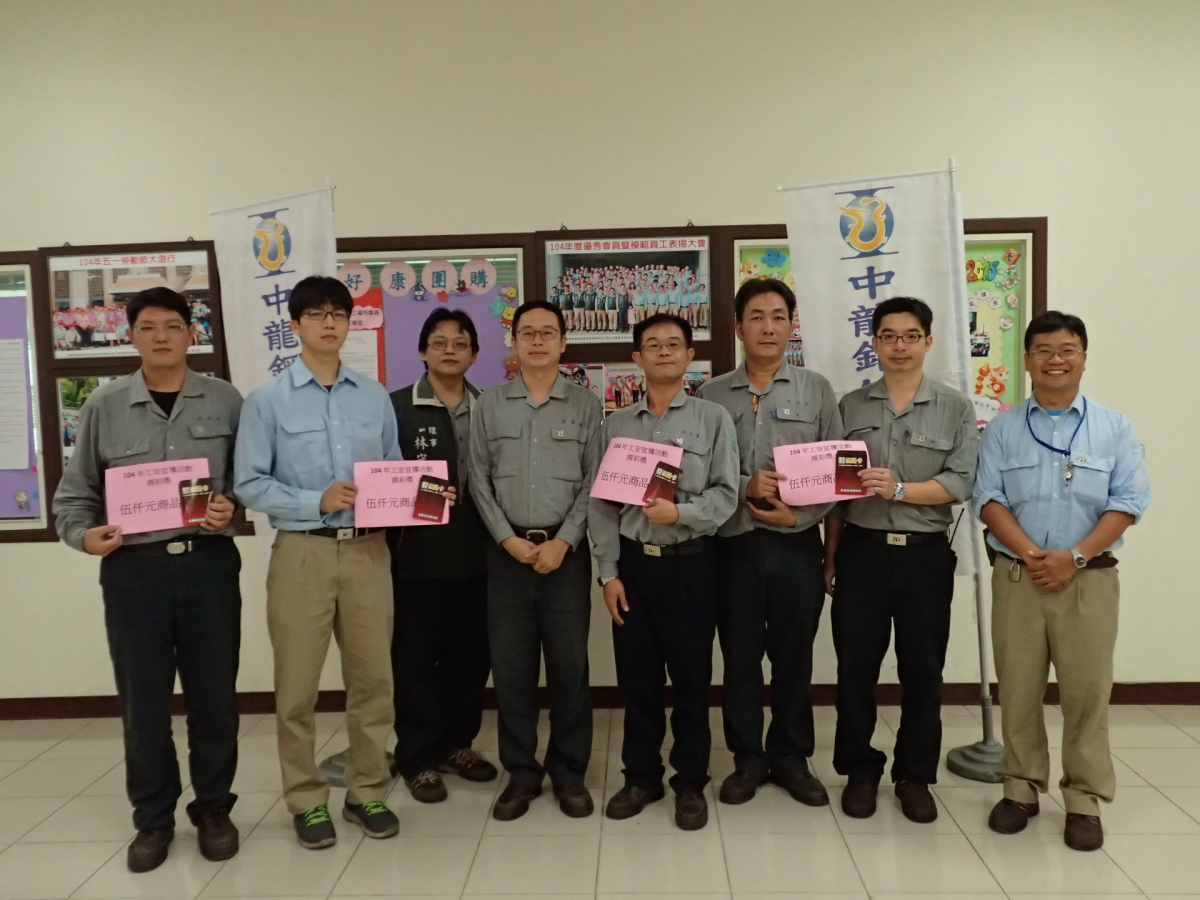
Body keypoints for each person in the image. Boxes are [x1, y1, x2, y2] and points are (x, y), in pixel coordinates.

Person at [53, 287, 243, 873]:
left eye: (173, 325)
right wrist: (83, 536)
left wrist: (231, 507)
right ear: (131, 335)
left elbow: (247, 481)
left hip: (208, 565)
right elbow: (74, 496)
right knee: (143, 701)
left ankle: (213, 808)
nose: (162, 336)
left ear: (192, 333)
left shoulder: (225, 399)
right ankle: (153, 818)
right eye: (149, 326)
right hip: (135, 572)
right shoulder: (105, 405)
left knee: (214, 695)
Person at [235, 275, 403, 850]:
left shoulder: (374, 397)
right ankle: (307, 801)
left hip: (368, 553)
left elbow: (394, 468)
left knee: (374, 681)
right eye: (316, 314)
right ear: (296, 324)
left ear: (349, 323)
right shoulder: (267, 401)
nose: (329, 323)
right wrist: (316, 501)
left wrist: (420, 497)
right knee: (297, 688)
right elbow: (249, 483)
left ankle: (367, 790)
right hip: (302, 553)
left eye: (338, 314)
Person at [973, 310, 1150, 852]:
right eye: (1044, 350)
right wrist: (1035, 556)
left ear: (1084, 358)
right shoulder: (1003, 428)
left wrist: (1073, 557)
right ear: (1027, 360)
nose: (1056, 359)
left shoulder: (1114, 427)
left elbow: (1128, 501)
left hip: (1089, 580)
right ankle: (1020, 788)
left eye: (1067, 349)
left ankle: (1084, 799)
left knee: (1087, 692)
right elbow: (988, 499)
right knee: (1018, 687)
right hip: (1018, 577)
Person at [823, 296, 978, 822]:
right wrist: (831, 556)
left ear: (928, 342)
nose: (899, 346)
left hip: (923, 557)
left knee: (923, 671)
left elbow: (960, 482)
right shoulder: (850, 406)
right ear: (874, 343)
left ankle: (914, 775)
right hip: (861, 553)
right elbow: (838, 494)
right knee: (855, 670)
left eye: (911, 336)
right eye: (888, 336)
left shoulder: (954, 407)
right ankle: (859, 771)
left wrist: (901, 490)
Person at [590, 313, 739, 831]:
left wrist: (681, 513)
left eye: (674, 344)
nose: (664, 352)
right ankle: (641, 777)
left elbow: (726, 495)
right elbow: (601, 507)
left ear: (689, 356)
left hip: (692, 565)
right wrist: (608, 573)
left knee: (692, 680)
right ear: (637, 358)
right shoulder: (615, 426)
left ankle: (690, 782)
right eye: (652, 345)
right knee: (638, 681)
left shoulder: (713, 418)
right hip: (634, 567)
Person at [696, 278, 841, 810]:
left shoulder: (817, 390)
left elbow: (838, 474)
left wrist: (799, 515)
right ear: (738, 327)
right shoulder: (710, 395)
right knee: (739, 657)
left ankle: (791, 758)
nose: (768, 327)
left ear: (791, 325)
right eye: (756, 316)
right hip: (731, 545)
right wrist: (744, 487)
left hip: (795, 543)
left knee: (793, 656)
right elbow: (697, 475)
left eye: (778, 316)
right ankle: (748, 759)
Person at [468, 300, 603, 821]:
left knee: (570, 668)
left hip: (565, 556)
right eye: (528, 333)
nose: (538, 341)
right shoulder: (490, 405)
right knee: (512, 670)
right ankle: (522, 774)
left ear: (564, 342)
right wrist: (506, 539)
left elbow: (595, 480)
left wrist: (564, 541)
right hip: (507, 556)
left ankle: (569, 772)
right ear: (514, 342)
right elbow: (478, 478)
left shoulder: (586, 405)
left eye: (548, 332)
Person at [388, 308, 498, 800]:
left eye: (460, 342)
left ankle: (458, 744)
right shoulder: (395, 407)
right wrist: (419, 494)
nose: (450, 350)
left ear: (475, 353)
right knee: (414, 660)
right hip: (415, 559)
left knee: (470, 658)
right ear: (422, 351)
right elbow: (376, 478)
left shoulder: (490, 407)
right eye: (439, 341)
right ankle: (416, 757)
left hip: (480, 555)